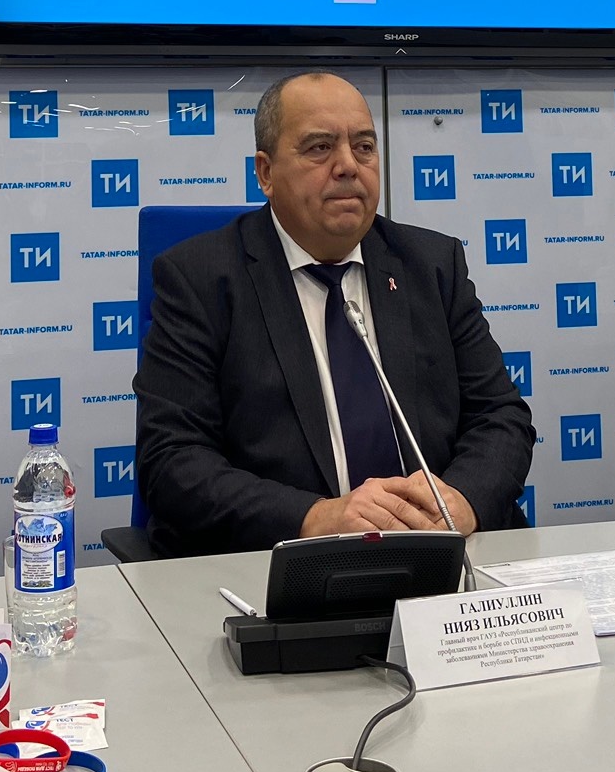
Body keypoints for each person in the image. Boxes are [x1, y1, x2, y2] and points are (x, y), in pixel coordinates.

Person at [134, 71, 534, 557]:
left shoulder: (432, 265)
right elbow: (172, 461)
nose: (348, 166)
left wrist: (462, 501)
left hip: (441, 556)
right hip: (284, 564)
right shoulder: (200, 279)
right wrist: (316, 517)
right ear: (265, 172)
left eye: (364, 147)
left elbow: (500, 416)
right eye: (320, 148)